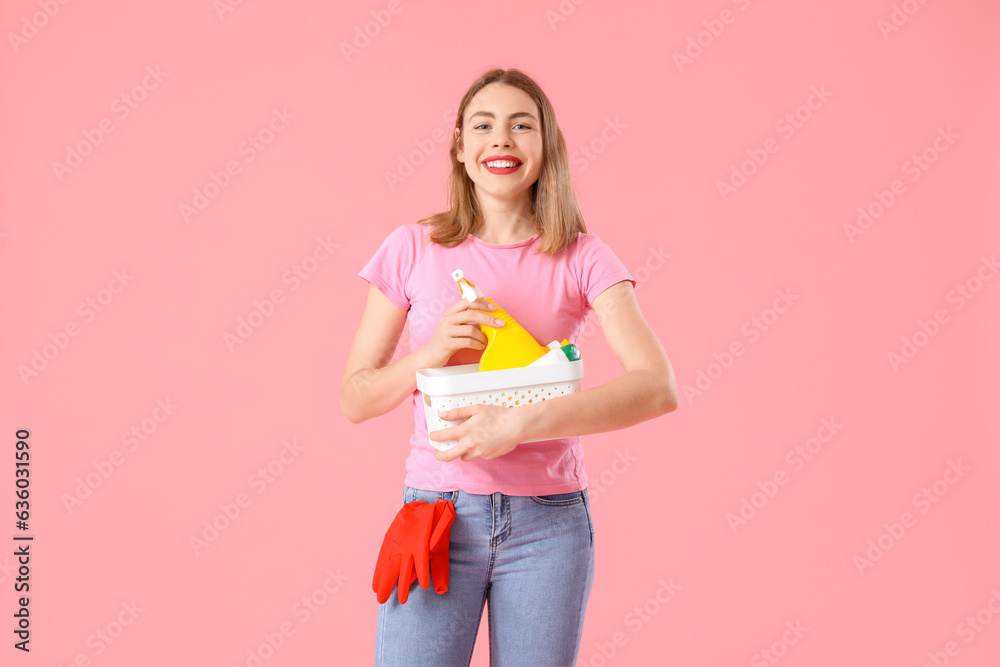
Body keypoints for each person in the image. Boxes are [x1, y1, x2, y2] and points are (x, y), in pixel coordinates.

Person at [342, 67, 678, 667]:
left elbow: (657, 387)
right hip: (438, 517)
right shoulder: (411, 248)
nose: (502, 139)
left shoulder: (583, 256)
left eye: (522, 125)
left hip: (549, 526)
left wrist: (517, 425)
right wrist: (428, 355)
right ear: (461, 149)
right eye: (484, 125)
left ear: (545, 147)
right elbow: (356, 398)